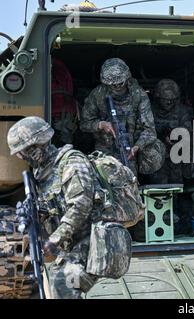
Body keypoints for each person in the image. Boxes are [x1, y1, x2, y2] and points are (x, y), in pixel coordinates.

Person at [7, 117, 104, 298]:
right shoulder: (42, 174)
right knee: (48, 284)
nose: (21, 157)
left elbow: (81, 206)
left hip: (94, 241)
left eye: (22, 152)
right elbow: (55, 207)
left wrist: (54, 240)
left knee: (63, 284)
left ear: (35, 148)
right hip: (73, 245)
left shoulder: (71, 163)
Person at [80, 58, 164, 177]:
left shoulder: (138, 95)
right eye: (112, 84)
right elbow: (84, 124)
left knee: (129, 178)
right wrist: (101, 125)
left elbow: (150, 131)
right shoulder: (97, 95)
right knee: (106, 182)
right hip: (105, 146)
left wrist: (136, 147)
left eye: (120, 83)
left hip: (130, 146)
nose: (117, 87)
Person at [146, 78, 194, 184]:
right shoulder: (149, 111)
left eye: (172, 99)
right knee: (159, 185)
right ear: (158, 97)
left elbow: (188, 132)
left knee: (176, 184)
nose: (169, 102)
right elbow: (144, 132)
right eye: (165, 99)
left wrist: (176, 139)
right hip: (156, 156)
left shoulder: (182, 111)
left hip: (176, 154)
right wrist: (161, 137)